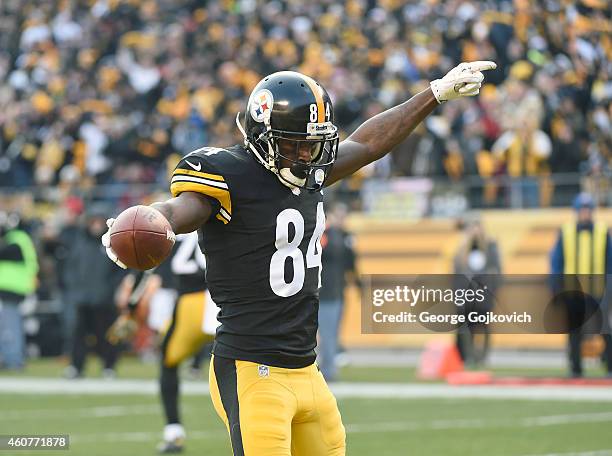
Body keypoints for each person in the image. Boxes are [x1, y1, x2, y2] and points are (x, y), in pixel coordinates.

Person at [103, 63, 496, 455]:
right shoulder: (227, 174)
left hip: (308, 370)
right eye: (294, 143)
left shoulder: (308, 170)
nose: (307, 154)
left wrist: (435, 94)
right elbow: (179, 210)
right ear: (261, 136)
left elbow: (367, 145)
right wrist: (146, 221)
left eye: (314, 143)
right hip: (252, 370)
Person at [108, 231, 218, 454]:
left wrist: (129, 311)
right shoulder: (229, 218)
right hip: (229, 303)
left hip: (192, 306)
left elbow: (145, 273)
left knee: (168, 364)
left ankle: (174, 432)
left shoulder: (174, 228)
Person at [550, 192, 612, 378]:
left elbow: (610, 263)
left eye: (588, 209)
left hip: (597, 290)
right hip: (573, 292)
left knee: (605, 330)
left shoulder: (603, 232)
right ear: (576, 211)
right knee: (574, 332)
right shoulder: (566, 231)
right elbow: (557, 262)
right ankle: (575, 368)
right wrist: (556, 288)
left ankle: (610, 367)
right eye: (582, 209)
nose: (585, 213)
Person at [63, 205, 126, 379]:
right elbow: (71, 269)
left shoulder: (111, 245)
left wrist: (110, 290)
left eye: (99, 222)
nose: (96, 226)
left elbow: (120, 271)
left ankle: (109, 367)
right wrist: (74, 289)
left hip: (104, 299)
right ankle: (76, 367)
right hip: (82, 298)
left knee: (106, 335)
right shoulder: (80, 244)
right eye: (93, 222)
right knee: (78, 335)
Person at [453, 214, 501, 366]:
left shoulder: (490, 247)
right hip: (467, 296)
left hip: (483, 295)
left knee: (483, 326)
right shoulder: (462, 249)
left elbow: (497, 271)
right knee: (466, 328)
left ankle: (483, 357)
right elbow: (457, 272)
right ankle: (469, 356)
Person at [318, 202, 358, 382]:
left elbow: (351, 263)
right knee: (327, 333)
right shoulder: (325, 235)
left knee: (332, 332)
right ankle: (327, 371)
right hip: (324, 291)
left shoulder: (345, 236)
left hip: (337, 290)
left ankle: (328, 368)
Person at [0, 211, 38, 370]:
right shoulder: (20, 239)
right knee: (9, 324)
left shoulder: (17, 240)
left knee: (11, 325)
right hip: (13, 288)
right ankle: (11, 357)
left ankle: (14, 359)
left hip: (11, 288)